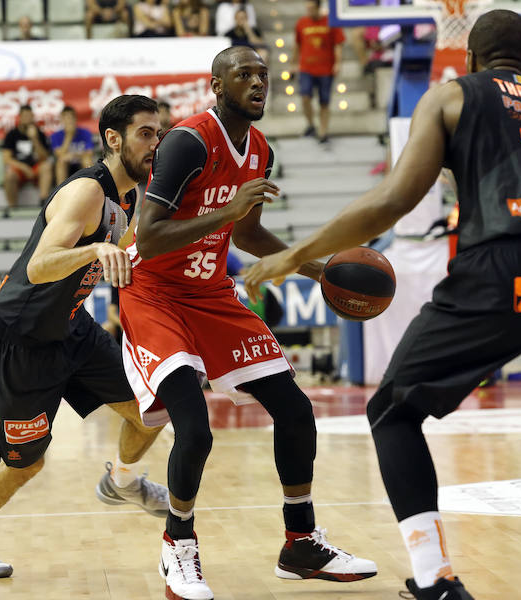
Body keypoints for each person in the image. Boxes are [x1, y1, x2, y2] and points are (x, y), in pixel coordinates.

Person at [242, 10, 521, 600]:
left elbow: (392, 201)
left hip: (504, 267)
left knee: (392, 409)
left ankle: (434, 575)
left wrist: (293, 256)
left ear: (469, 59)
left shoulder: (452, 97)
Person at [120, 46, 377, 600]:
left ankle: (301, 543)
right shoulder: (188, 141)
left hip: (211, 292)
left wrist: (315, 270)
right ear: (217, 85)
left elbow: (247, 233)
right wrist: (228, 210)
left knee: (297, 410)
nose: (259, 82)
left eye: (263, 74)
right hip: (156, 295)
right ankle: (178, 548)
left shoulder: (260, 149)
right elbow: (151, 232)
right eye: (245, 75)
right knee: (195, 429)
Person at [0, 94, 170, 579]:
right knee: (26, 465)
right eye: (146, 133)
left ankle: (122, 481)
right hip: (19, 338)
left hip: (72, 327)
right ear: (113, 139)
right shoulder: (87, 191)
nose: (156, 143)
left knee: (153, 410)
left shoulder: (133, 194)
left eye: (159, 133)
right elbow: (41, 265)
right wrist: (96, 250)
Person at [293, 0, 345, 144]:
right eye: (307, 8)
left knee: (324, 102)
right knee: (305, 97)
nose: (309, 11)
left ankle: (323, 132)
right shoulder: (301, 23)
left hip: (325, 69)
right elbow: (297, 44)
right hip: (306, 68)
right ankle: (311, 125)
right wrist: (293, 63)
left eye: (311, 8)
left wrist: (338, 63)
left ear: (318, 8)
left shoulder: (330, 22)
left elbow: (338, 45)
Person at [2, 104, 52, 207]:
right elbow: (6, 159)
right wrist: (24, 168)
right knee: (9, 175)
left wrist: (34, 139)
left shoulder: (39, 134)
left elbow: (44, 157)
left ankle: (43, 201)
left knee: (46, 166)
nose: (27, 119)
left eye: (29, 116)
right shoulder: (12, 134)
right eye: (25, 116)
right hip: (19, 169)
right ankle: (12, 206)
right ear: (19, 117)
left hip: (35, 168)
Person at [51, 105, 95, 186]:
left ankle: (90, 187)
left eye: (71, 118)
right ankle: (60, 191)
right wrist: (69, 136)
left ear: (75, 119)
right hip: (66, 164)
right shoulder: (55, 136)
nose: (69, 121)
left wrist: (74, 155)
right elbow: (59, 154)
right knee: (61, 161)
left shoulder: (85, 132)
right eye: (66, 118)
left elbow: (90, 153)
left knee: (87, 160)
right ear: (62, 120)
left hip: (80, 161)